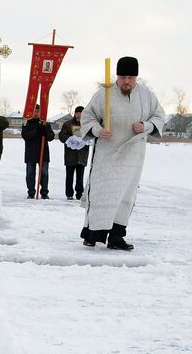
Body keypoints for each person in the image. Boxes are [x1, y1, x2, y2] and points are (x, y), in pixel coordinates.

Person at [79, 56, 164, 250]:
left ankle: (117, 236)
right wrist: (98, 130)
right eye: (123, 77)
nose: (127, 81)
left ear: (136, 77)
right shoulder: (104, 94)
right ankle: (93, 234)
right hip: (107, 154)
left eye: (131, 77)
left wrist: (145, 125)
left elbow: (159, 116)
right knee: (102, 193)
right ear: (117, 76)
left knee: (126, 194)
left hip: (132, 155)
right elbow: (87, 116)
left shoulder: (146, 95)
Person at [21, 104, 55, 199]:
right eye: (35, 111)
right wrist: (36, 131)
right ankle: (31, 192)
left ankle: (44, 192)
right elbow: (25, 136)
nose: (36, 113)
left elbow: (51, 137)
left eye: (38, 111)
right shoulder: (27, 123)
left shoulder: (45, 124)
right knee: (30, 173)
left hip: (43, 153)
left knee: (44, 173)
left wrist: (45, 131)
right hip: (31, 153)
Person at [58, 106, 89, 200]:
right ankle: (69, 193)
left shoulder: (86, 124)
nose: (79, 115)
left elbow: (91, 135)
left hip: (82, 155)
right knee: (69, 176)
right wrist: (70, 139)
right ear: (75, 113)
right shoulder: (67, 124)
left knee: (80, 176)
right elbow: (61, 136)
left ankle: (79, 193)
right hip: (70, 155)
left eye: (81, 113)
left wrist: (88, 140)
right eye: (77, 113)